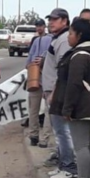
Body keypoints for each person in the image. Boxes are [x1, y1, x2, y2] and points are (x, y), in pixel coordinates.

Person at [52, 18, 90, 178]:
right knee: (88, 144)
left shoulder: (79, 56)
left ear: (80, 35)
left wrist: (67, 109)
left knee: (81, 146)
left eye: (71, 33)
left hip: (81, 106)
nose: (68, 37)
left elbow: (74, 84)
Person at [42, 8, 77, 178]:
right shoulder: (58, 39)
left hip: (57, 92)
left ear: (65, 21)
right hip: (53, 90)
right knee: (60, 131)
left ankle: (69, 167)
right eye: (50, 19)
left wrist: (54, 93)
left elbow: (63, 69)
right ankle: (64, 164)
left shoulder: (63, 40)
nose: (51, 22)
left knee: (63, 132)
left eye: (55, 20)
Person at [27, 19, 53, 147]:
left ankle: (45, 138)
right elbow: (30, 57)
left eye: (41, 26)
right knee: (33, 108)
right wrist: (29, 69)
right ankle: (33, 135)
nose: (39, 28)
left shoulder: (51, 39)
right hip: (34, 77)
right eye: (37, 26)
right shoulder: (35, 40)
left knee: (48, 109)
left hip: (47, 77)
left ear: (44, 26)